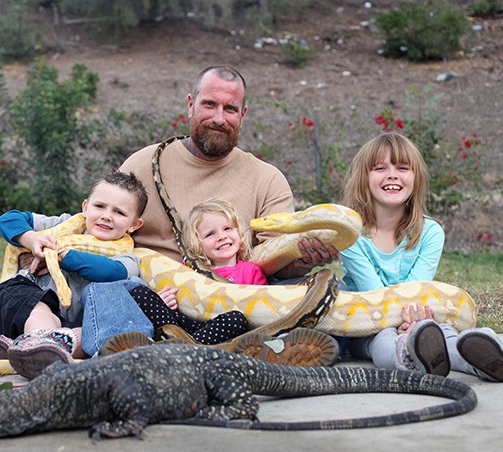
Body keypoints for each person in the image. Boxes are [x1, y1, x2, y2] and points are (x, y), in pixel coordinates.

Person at [119, 65, 340, 364]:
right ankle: (243, 352)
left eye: (230, 108)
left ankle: (183, 352)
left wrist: (303, 259)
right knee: (112, 287)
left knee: (320, 294)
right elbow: (103, 222)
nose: (219, 118)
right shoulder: (144, 163)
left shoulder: (267, 179)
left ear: (243, 114)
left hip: (230, 301)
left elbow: (277, 266)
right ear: (190, 104)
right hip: (158, 298)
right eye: (209, 104)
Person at [0, 171, 153, 379]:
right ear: (85, 207)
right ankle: (39, 342)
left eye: (119, 212)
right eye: (100, 206)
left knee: (107, 330)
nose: (107, 216)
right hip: (21, 310)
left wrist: (62, 256)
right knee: (32, 299)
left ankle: (26, 348)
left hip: (74, 327)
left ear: (134, 224)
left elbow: (112, 272)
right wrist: (32, 240)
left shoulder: (128, 256)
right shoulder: (62, 225)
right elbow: (8, 219)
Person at [339, 131, 503, 382]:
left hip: (417, 317)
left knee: (442, 333)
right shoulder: (350, 234)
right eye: (380, 168)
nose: (392, 174)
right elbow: (373, 294)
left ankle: (485, 361)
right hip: (367, 327)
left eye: (403, 167)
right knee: (383, 343)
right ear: (364, 177)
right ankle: (412, 358)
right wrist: (407, 324)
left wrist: (415, 324)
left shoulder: (431, 233)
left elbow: (415, 291)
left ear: (416, 179)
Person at [129, 199, 262, 345]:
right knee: (139, 292)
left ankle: (180, 348)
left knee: (236, 319)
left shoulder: (250, 271)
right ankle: (182, 346)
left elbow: (262, 311)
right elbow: (169, 296)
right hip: (182, 325)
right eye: (210, 234)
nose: (222, 236)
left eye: (228, 228)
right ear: (197, 243)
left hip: (220, 328)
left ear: (240, 232)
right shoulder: (184, 269)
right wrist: (162, 300)